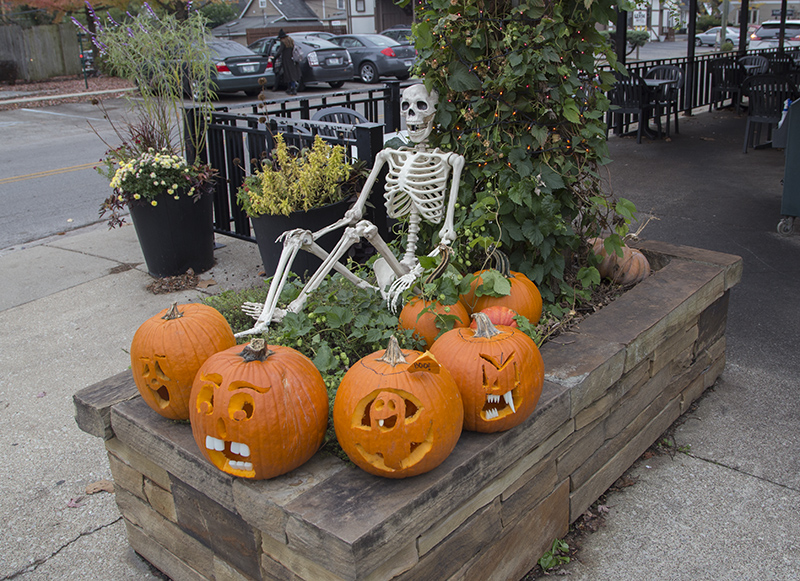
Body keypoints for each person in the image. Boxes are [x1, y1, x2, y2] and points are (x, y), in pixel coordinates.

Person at [277, 29, 301, 95]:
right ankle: (292, 87)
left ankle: (291, 88)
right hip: (292, 60)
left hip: (286, 60)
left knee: (288, 75)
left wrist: (275, 56)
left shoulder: (283, 42)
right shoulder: (291, 41)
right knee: (292, 75)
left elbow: (279, 51)